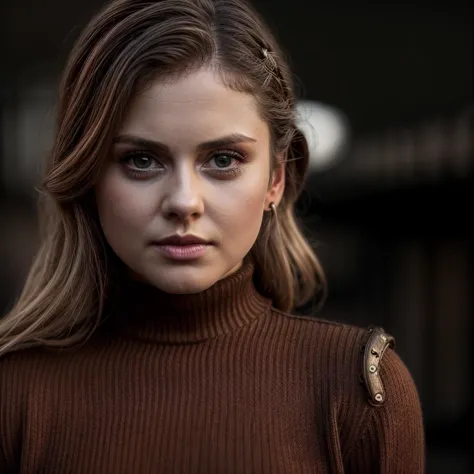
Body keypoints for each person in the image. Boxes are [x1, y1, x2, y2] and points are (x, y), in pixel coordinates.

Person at [0, 0, 425, 472]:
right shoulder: (15, 394)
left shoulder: (359, 392)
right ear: (88, 177)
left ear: (276, 179)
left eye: (223, 159)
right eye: (142, 160)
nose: (184, 201)